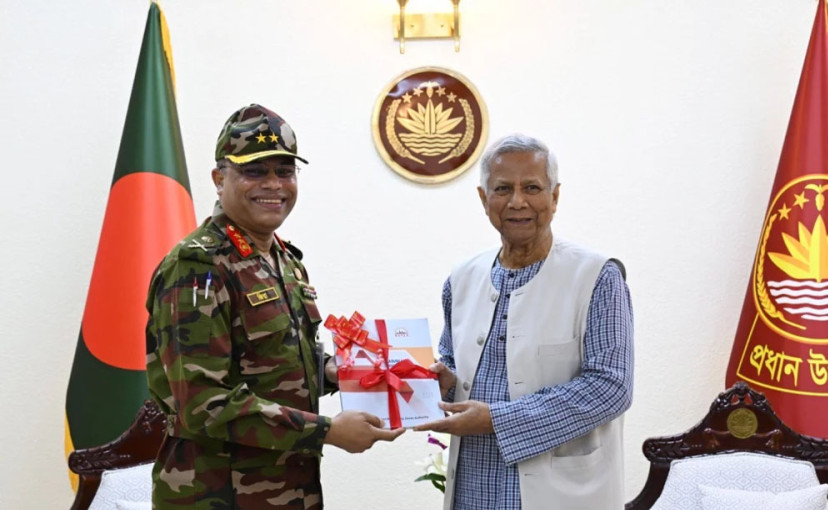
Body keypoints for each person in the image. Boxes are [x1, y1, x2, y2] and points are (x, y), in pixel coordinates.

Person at [145, 104, 404, 509]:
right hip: (218, 494)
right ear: (219, 178)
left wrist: (346, 373)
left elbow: (274, 367)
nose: (273, 184)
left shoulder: (285, 260)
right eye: (254, 171)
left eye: (284, 171)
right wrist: (326, 431)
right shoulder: (198, 266)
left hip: (290, 491)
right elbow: (201, 402)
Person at [414, 134, 634, 510]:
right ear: (484, 199)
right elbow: (453, 365)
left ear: (555, 196)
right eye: (503, 189)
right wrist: (445, 384)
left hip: (562, 495)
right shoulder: (461, 278)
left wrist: (497, 420)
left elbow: (610, 387)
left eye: (532, 187)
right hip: (472, 489)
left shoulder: (597, 276)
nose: (518, 202)